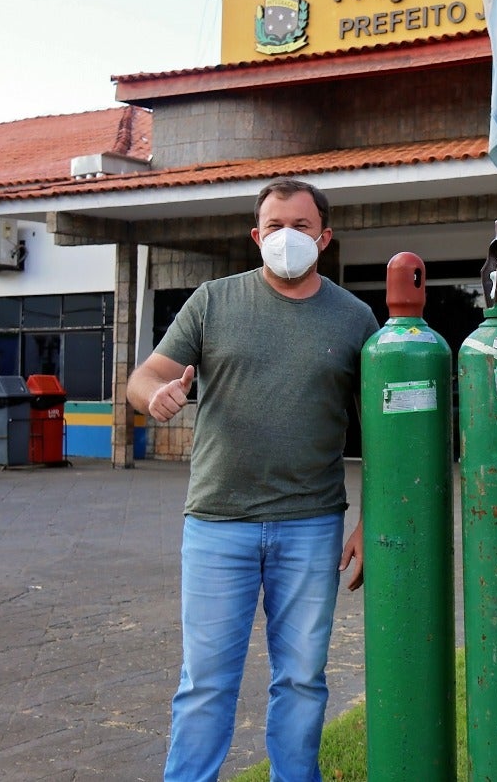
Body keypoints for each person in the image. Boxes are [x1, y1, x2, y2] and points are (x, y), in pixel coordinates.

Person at [126, 177, 380, 781]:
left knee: (301, 680)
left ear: (325, 235)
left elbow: (381, 435)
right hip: (218, 525)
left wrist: (370, 523)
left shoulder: (355, 317)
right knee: (206, 683)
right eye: (274, 226)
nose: (286, 237)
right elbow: (145, 376)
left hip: (311, 525)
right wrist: (155, 396)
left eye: (300, 226)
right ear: (255, 236)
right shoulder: (214, 301)